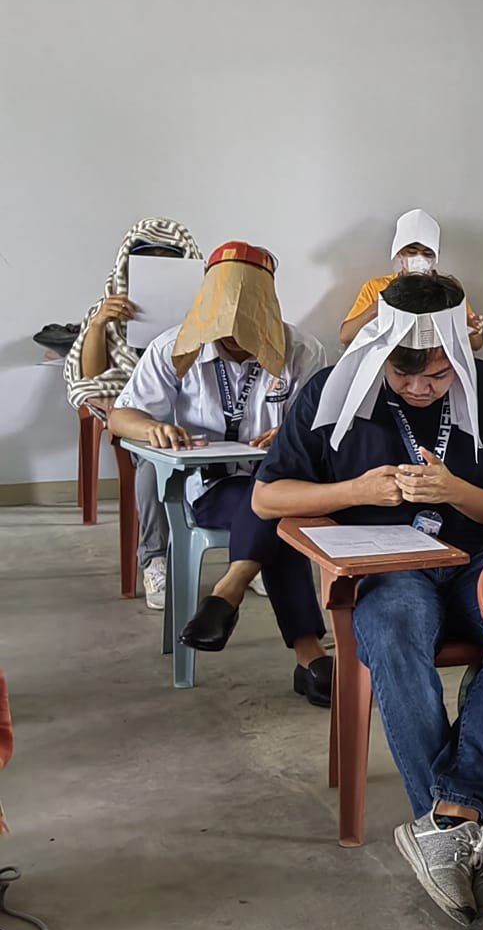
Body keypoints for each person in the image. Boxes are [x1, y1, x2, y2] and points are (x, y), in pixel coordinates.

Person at [254, 273, 483, 925]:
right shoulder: (333, 392)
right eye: (403, 374)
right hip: (387, 564)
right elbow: (267, 497)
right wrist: (355, 489)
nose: (420, 388)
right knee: (394, 629)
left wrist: (453, 490)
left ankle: (447, 817)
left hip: (478, 555)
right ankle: (459, 830)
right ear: (380, 352)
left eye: (439, 377)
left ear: (460, 356)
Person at [106, 243, 329, 701]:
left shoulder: (303, 352)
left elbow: (322, 428)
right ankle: (310, 656)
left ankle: (228, 591)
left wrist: (289, 435)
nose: (234, 345)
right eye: (225, 335)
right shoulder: (173, 347)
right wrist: (154, 427)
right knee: (275, 516)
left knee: (273, 503)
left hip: (279, 480)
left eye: (245, 335)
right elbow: (120, 416)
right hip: (206, 488)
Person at [64, 217, 205, 610]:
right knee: (150, 462)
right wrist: (98, 324)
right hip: (137, 406)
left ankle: (254, 555)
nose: (159, 267)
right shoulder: (110, 306)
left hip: (191, 402)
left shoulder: (204, 310)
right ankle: (154, 559)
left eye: (168, 260)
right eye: (149, 260)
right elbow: (92, 374)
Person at [339, 209, 483, 348]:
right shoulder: (376, 288)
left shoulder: (447, 289)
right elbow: (346, 336)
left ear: (435, 256)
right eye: (412, 252)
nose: (419, 258)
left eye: (427, 253)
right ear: (400, 253)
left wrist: (473, 329)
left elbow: (476, 344)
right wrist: (379, 308)